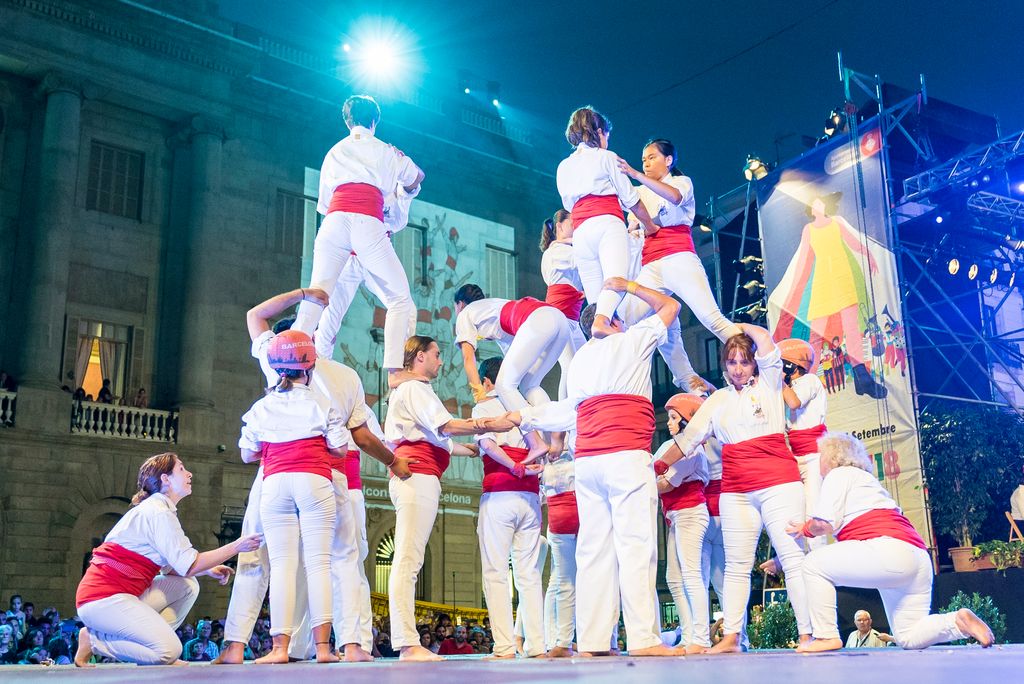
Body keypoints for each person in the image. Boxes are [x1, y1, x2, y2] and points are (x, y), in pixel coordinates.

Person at [510, 277, 686, 657]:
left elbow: (568, 411)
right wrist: (628, 284)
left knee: (594, 551)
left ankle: (592, 641)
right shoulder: (630, 339)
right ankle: (643, 638)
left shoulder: (580, 362)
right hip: (624, 455)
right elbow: (671, 308)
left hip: (589, 463)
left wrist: (525, 418)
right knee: (635, 546)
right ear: (614, 321)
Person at [657, 324, 811, 654]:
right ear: (725, 366)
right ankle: (731, 636)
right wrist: (651, 467)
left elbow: (766, 341)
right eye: (732, 362)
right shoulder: (717, 401)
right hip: (736, 490)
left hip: (778, 483)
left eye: (744, 361)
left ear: (754, 364)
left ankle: (808, 635)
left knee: (792, 558)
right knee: (736, 568)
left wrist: (733, 327)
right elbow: (687, 441)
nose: (738, 368)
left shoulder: (770, 381)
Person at [791, 432, 994, 652]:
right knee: (908, 635)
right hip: (916, 557)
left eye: (821, 455)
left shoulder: (839, 474)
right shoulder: (866, 480)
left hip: (888, 552)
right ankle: (957, 622)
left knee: (813, 564)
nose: (818, 461)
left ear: (832, 456)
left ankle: (825, 636)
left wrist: (803, 529)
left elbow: (824, 524)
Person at [385, 335, 513, 661]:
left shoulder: (413, 389)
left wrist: (468, 450)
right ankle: (407, 642)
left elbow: (436, 438)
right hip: (417, 477)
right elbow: (445, 427)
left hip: (422, 475)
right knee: (408, 559)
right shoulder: (415, 389)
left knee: (409, 559)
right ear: (420, 356)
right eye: (437, 354)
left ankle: (408, 641)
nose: (441, 361)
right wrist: (488, 424)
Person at [74, 453, 261, 666]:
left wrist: (206, 570)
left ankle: (156, 646)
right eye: (181, 469)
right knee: (169, 650)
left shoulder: (159, 510)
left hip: (122, 596)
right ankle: (95, 642)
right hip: (102, 600)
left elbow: (172, 569)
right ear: (165, 479)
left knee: (188, 585)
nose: (189, 473)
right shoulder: (158, 513)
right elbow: (189, 563)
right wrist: (237, 546)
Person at [292, 94, 423, 383]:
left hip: (336, 226)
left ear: (347, 120)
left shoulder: (334, 152)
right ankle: (395, 372)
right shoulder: (388, 154)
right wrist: (406, 187)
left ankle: (293, 363)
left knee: (318, 296)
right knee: (400, 300)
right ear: (376, 120)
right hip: (367, 233)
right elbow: (417, 177)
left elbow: (327, 205)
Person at [238, 330, 342, 664]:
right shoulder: (321, 402)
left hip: (276, 482)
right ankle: (324, 649)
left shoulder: (262, 406)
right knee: (318, 564)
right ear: (308, 368)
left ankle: (279, 649)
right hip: (314, 480)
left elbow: (246, 453)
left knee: (282, 566)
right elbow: (340, 448)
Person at [618, 139, 741, 345]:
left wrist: (635, 174)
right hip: (650, 264)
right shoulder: (639, 192)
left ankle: (760, 361)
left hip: (678, 257)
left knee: (712, 319)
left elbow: (675, 197)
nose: (646, 164)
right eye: (643, 160)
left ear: (668, 160)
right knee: (624, 319)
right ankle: (682, 376)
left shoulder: (681, 182)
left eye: (651, 157)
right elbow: (632, 224)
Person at [770, 193, 886, 399]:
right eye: (813, 203)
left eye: (820, 202)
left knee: (852, 329)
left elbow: (853, 242)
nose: (817, 206)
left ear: (826, 205)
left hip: (842, 279)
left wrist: (868, 255)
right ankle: (807, 382)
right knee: (816, 333)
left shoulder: (837, 223)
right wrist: (794, 287)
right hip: (823, 282)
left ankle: (862, 378)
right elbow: (804, 259)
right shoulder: (808, 230)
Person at [555, 106, 658, 338]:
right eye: (606, 137)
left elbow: (570, 206)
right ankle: (602, 323)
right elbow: (632, 200)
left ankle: (600, 336)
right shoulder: (607, 158)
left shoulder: (563, 167)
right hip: (606, 225)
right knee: (616, 283)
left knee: (596, 299)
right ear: (599, 131)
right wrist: (651, 227)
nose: (607, 142)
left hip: (581, 233)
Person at [472, 357, 545, 659]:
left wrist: (514, 466)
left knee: (496, 573)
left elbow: (488, 445)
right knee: (529, 574)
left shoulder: (485, 407)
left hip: (500, 493)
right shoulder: (526, 406)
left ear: (488, 382)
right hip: (530, 498)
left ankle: (504, 646)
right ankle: (537, 645)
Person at [454, 283, 568, 460]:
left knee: (503, 386)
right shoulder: (493, 312)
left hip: (539, 320)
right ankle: (555, 431)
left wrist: (478, 392)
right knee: (529, 384)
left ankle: (536, 443)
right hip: (559, 320)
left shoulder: (465, 314)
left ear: (460, 304)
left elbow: (468, 357)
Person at [313, 185, 420, 360]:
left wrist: (403, 196)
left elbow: (398, 222)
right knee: (330, 318)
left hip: (376, 257)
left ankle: (402, 367)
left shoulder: (395, 186)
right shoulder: (356, 173)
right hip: (347, 256)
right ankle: (319, 371)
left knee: (407, 309)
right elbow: (327, 206)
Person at [656, 393, 711, 653]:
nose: (669, 422)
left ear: (687, 420)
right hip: (675, 515)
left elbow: (665, 484)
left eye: (674, 417)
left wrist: (642, 482)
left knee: (690, 574)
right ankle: (690, 635)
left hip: (690, 512)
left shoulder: (692, 448)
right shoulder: (671, 446)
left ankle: (701, 637)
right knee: (674, 578)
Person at [780, 338, 827, 550]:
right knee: (794, 513)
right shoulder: (785, 388)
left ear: (791, 364)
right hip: (795, 457)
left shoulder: (810, 381)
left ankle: (820, 562)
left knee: (814, 512)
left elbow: (794, 402)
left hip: (813, 457)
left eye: (779, 363)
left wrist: (777, 381)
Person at [540, 209, 588, 400]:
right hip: (559, 317)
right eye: (572, 223)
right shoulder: (557, 251)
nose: (577, 228)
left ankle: (578, 409)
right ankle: (566, 418)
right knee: (570, 366)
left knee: (584, 361)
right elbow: (582, 260)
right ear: (559, 226)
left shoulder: (566, 249)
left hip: (570, 319)